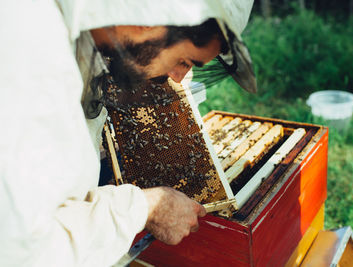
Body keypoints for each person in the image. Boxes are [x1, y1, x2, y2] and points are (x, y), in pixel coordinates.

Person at [0, 0, 256, 266]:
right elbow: (24, 250)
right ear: (153, 15)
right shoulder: (27, 48)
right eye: (183, 61)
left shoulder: (80, 29)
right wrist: (144, 208)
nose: (179, 78)